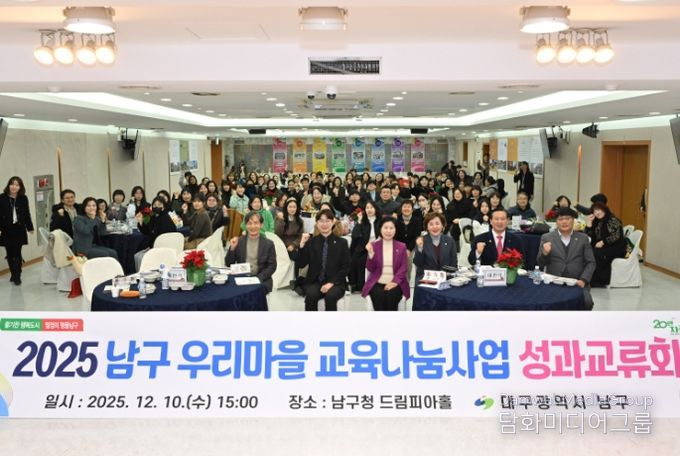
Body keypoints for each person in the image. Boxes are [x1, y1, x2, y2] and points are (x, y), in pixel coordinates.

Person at [537, 207, 596, 310]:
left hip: (577, 283)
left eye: (567, 218)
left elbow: (591, 263)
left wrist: (583, 280)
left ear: (573, 220)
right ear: (556, 222)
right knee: (548, 304)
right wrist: (545, 253)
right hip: (554, 283)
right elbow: (540, 263)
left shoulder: (583, 238)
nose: (564, 222)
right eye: (560, 219)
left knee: (587, 303)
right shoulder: (547, 237)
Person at [296, 209, 350, 311]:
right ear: (317, 223)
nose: (324, 224)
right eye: (321, 221)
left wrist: (331, 283)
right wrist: (302, 245)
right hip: (315, 282)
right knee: (311, 296)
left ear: (333, 222)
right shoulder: (311, 242)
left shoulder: (342, 243)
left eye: (327, 221)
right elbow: (301, 264)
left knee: (331, 297)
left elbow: (346, 267)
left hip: (336, 282)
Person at [362, 217, 410, 311]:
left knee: (391, 296)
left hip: (397, 282)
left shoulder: (401, 246)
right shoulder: (374, 245)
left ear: (395, 230)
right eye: (385, 227)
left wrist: (394, 282)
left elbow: (403, 268)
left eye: (391, 228)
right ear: (380, 229)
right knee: (379, 296)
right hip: (377, 281)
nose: (388, 231)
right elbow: (370, 269)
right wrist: (371, 255)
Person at [226, 211, 277, 294]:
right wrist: (232, 248)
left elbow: (272, 266)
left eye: (256, 223)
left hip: (261, 279)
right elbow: (228, 263)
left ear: (261, 225)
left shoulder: (269, 244)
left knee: (255, 293)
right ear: (246, 225)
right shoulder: (239, 241)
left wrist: (258, 278)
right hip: (241, 278)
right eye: (249, 223)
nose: (253, 226)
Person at [0, 176, 34, 285]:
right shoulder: (2, 198)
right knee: (10, 253)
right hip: (6, 229)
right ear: (8, 185)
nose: (14, 187)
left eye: (17, 185)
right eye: (12, 184)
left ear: (20, 187)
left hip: (19, 229)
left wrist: (30, 227)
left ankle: (17, 275)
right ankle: (13, 273)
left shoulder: (23, 198)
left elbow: (27, 214)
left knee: (17, 253)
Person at [584, 202, 627, 287]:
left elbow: (616, 235)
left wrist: (603, 242)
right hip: (606, 247)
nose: (597, 213)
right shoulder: (598, 222)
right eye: (594, 211)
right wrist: (589, 224)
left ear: (604, 209)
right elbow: (591, 237)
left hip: (616, 247)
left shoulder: (612, 220)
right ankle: (590, 278)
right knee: (588, 251)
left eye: (598, 210)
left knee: (595, 253)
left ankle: (602, 280)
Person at [134, 196, 177, 270]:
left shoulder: (165, 218)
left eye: (159, 205)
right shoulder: (154, 217)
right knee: (137, 256)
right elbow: (147, 231)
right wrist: (141, 222)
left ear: (164, 206)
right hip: (156, 246)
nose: (156, 207)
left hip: (163, 247)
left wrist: (151, 247)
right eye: (154, 205)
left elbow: (157, 235)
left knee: (139, 256)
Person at [413, 212, 457, 282]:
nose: (434, 227)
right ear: (427, 227)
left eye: (437, 223)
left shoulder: (450, 241)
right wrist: (420, 248)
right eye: (431, 224)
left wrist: (448, 277)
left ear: (442, 225)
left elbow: (453, 264)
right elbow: (418, 263)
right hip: (426, 280)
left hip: (446, 279)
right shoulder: (421, 240)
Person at [349, 200, 381, 293]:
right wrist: (359, 222)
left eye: (371, 207)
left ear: (375, 209)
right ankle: (356, 286)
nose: (369, 210)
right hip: (363, 248)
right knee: (354, 260)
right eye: (367, 208)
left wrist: (374, 244)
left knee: (363, 261)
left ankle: (368, 285)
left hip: (378, 247)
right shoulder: (363, 222)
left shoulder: (380, 221)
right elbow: (355, 236)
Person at [275, 197, 305, 294]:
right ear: (286, 208)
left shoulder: (299, 221)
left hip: (294, 246)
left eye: (294, 207)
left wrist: (293, 245)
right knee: (298, 257)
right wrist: (282, 221)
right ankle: (297, 281)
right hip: (282, 247)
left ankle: (301, 280)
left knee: (304, 256)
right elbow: (277, 234)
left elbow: (300, 236)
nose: (292, 209)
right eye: (290, 207)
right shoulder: (281, 219)